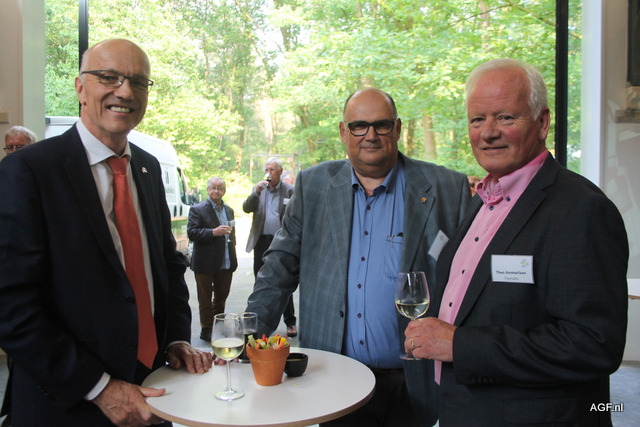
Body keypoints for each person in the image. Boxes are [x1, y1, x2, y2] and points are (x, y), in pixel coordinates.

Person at [404, 59, 629, 426]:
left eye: (505, 117)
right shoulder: (483, 198)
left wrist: (459, 344)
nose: (488, 132)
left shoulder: (582, 209)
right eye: (477, 120)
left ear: (542, 122)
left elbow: (594, 344)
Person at [0, 38, 212, 427]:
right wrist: (100, 388)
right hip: (69, 405)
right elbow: (9, 303)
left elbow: (167, 266)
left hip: (153, 392)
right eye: (108, 77)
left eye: (138, 81)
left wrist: (175, 339)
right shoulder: (28, 171)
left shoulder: (147, 168)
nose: (125, 91)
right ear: (80, 88)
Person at [246, 88, 470, 426]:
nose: (370, 135)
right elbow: (279, 267)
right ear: (343, 132)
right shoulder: (314, 185)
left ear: (397, 129)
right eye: (359, 126)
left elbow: (472, 279)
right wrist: (248, 336)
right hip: (333, 378)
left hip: (414, 380)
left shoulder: (447, 188)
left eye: (381, 125)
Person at [243, 157, 298, 337]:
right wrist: (255, 193)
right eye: (266, 169)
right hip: (262, 241)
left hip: (282, 242)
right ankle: (257, 322)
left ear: (280, 171)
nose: (269, 173)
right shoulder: (259, 190)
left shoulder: (290, 190)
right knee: (261, 281)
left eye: (272, 169)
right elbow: (246, 208)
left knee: (283, 279)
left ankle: (290, 322)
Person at [187, 177, 238, 342]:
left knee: (221, 298)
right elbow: (192, 233)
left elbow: (232, 233)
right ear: (208, 189)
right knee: (205, 299)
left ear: (224, 191)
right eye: (213, 187)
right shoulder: (197, 209)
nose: (216, 190)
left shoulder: (229, 210)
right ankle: (207, 329)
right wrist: (213, 232)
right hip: (205, 262)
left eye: (220, 188)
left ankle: (219, 326)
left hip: (226, 260)